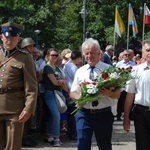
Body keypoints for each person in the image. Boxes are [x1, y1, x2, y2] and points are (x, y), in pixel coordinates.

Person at [70, 38, 121, 150]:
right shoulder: (80, 71)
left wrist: (109, 93)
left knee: (104, 146)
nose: (89, 56)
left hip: (103, 114)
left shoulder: (109, 70)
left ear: (99, 53)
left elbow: (117, 94)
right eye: (87, 53)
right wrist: (79, 97)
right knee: (82, 144)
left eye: (92, 53)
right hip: (84, 113)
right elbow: (72, 92)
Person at [0, 22, 37, 150]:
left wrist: (28, 108)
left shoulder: (25, 58)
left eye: (12, 38)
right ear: (1, 37)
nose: (9, 41)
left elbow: (31, 87)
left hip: (15, 109)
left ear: (18, 39)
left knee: (13, 146)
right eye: (7, 37)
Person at [123, 39, 150, 150]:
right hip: (141, 113)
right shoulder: (135, 70)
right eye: (148, 50)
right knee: (142, 146)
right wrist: (126, 117)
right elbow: (130, 95)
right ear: (143, 53)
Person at [43, 48, 66, 147]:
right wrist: (60, 81)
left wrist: (60, 81)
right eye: (52, 55)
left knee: (55, 115)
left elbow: (64, 81)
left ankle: (51, 135)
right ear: (48, 56)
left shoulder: (57, 68)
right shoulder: (47, 67)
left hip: (58, 93)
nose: (54, 57)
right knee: (56, 115)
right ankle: (57, 138)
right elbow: (55, 82)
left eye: (56, 55)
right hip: (50, 93)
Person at [63, 50, 82, 140]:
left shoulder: (66, 65)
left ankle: (70, 132)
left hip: (67, 91)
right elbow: (78, 80)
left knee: (70, 114)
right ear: (78, 58)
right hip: (73, 92)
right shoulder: (74, 68)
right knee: (75, 113)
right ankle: (74, 133)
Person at [115, 49, 136, 121]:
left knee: (129, 100)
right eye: (125, 55)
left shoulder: (133, 64)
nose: (127, 56)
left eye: (128, 55)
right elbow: (116, 74)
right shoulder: (119, 64)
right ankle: (119, 114)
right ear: (123, 56)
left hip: (130, 84)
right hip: (121, 84)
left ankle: (129, 115)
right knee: (120, 101)